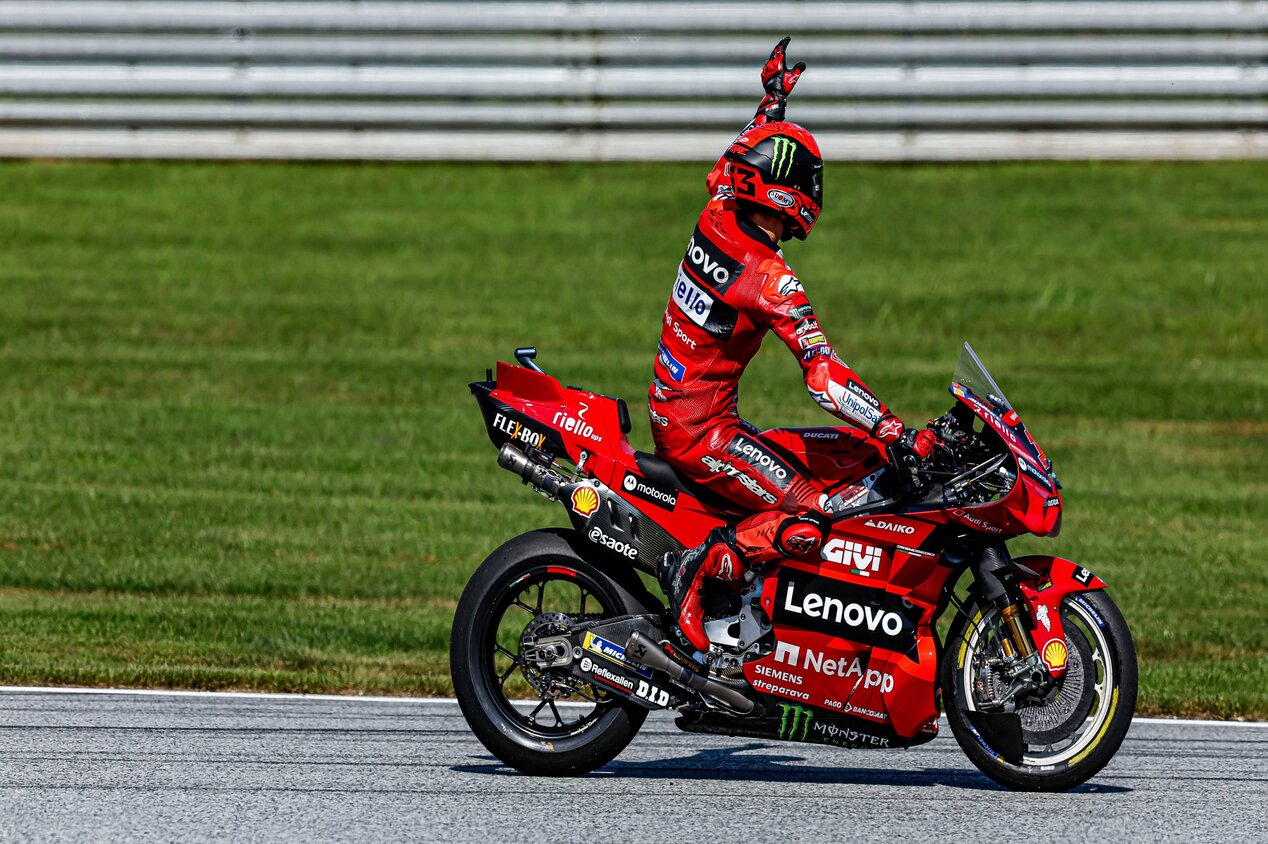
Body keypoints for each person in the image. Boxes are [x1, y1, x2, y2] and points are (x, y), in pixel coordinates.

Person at [649, 37, 938, 657]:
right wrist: (894, 429)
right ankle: (702, 579)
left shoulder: (721, 204)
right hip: (700, 434)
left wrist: (772, 100)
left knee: (855, 457)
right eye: (808, 180)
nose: (814, 191)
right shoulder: (767, 278)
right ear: (784, 193)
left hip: (691, 411)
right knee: (816, 513)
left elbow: (743, 150)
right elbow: (823, 377)